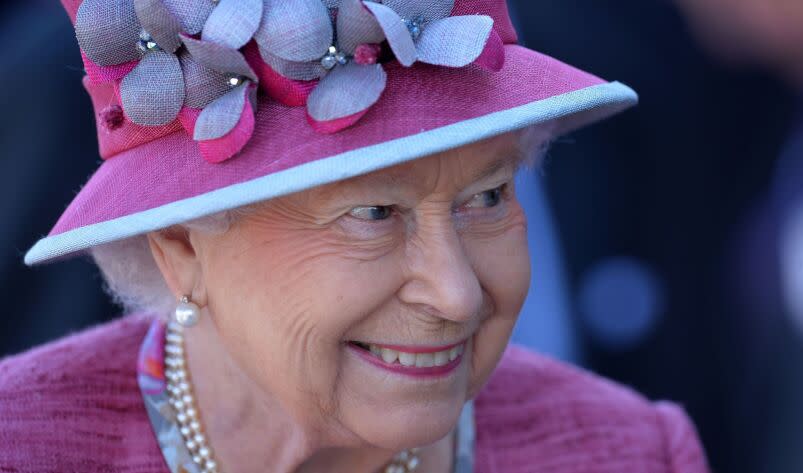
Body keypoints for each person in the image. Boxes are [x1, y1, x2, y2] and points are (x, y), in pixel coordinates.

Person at [0, 0, 709, 472]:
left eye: (487, 196)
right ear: (183, 245)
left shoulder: (629, 452)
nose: (456, 293)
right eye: (373, 213)